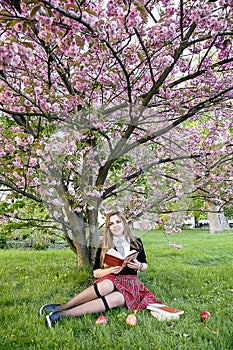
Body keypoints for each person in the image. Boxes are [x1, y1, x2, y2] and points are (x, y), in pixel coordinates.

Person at [40, 210, 157, 327]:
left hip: (130, 283)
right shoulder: (104, 245)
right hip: (111, 279)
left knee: (117, 298)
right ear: (108, 228)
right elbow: (96, 272)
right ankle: (62, 306)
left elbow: (145, 265)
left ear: (124, 223)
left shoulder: (136, 242)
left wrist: (139, 266)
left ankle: (61, 315)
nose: (115, 225)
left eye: (118, 222)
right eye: (111, 224)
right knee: (107, 285)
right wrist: (110, 270)